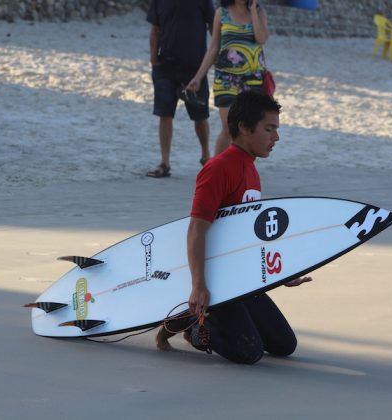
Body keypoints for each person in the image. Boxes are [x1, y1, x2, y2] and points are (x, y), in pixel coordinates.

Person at [156, 91, 312, 364]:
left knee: (284, 345)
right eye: (269, 129)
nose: (276, 137)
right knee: (248, 352)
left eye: (276, 129)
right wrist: (199, 286)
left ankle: (209, 317)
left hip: (241, 279)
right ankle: (193, 326)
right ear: (243, 127)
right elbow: (196, 229)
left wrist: (281, 274)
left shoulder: (251, 169)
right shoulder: (219, 168)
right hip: (217, 280)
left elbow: (247, 238)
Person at [186, 0, 269, 157]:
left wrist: (252, 11)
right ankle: (214, 172)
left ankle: (241, 171)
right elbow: (213, 48)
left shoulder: (259, 12)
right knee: (230, 128)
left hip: (253, 80)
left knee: (249, 130)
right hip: (226, 79)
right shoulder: (221, 13)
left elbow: (262, 39)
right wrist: (198, 77)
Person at [146, 0, 215, 178]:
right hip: (165, 66)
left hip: (194, 69)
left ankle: (206, 156)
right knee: (165, 114)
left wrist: (214, 56)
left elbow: (213, 29)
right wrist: (154, 59)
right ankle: (165, 162)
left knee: (200, 115)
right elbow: (155, 29)